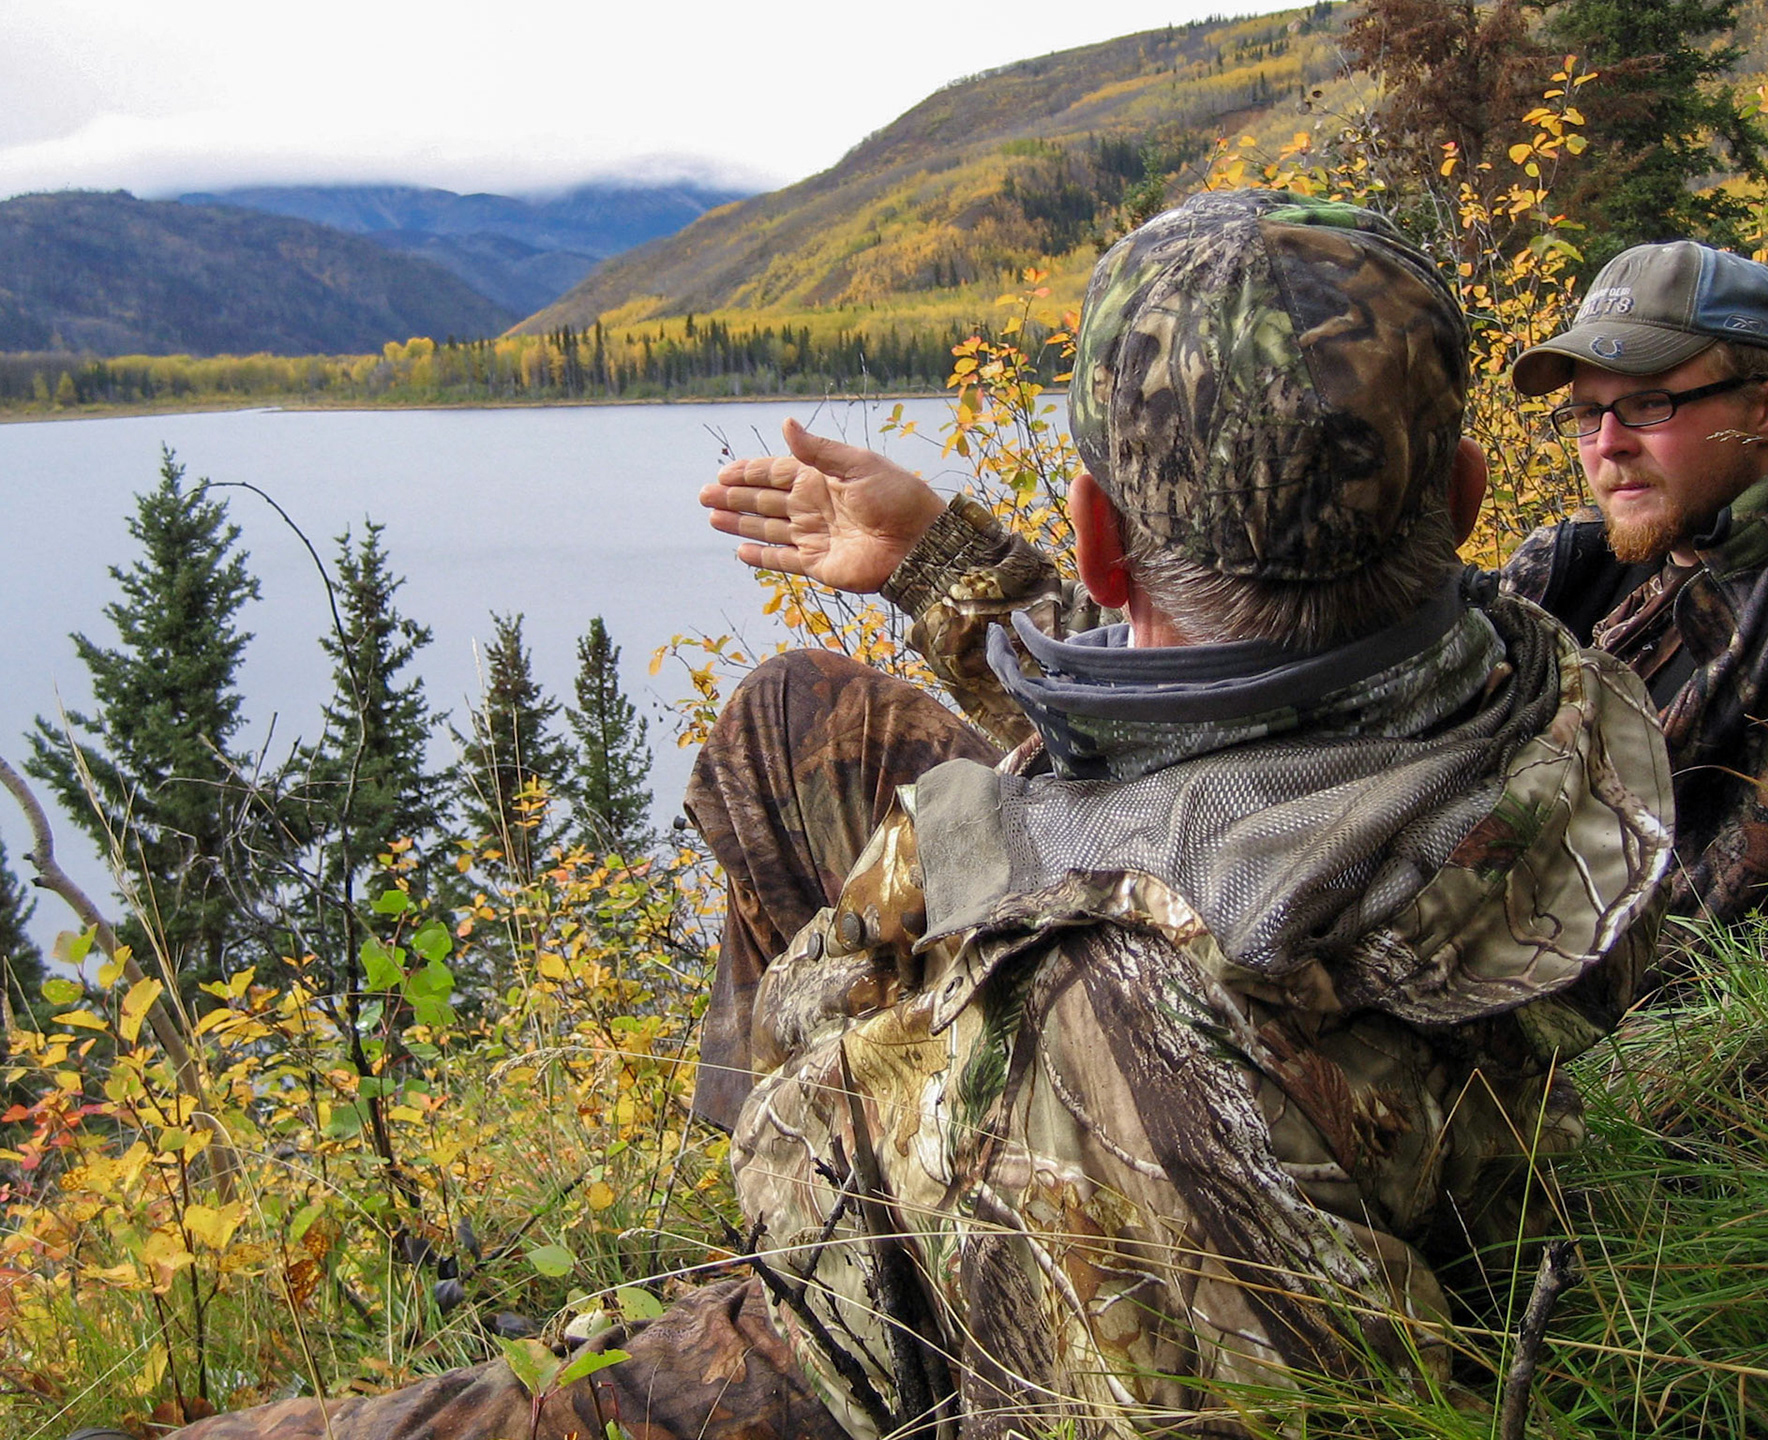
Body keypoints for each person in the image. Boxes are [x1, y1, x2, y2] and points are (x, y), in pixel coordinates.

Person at [162, 193, 1672, 1440]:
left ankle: (767, 1265)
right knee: (792, 718)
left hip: (907, 1306)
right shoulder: (1531, 683)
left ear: (1098, 532)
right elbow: (1247, 692)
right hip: (1242, 1062)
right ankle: (751, 1199)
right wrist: (937, 560)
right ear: (1467, 491)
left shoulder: (1109, 1014)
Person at [1503, 240, 1768, 923]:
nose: (1607, 443)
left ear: (1767, 407)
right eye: (1586, 413)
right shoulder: (1560, 574)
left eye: (1648, 404)